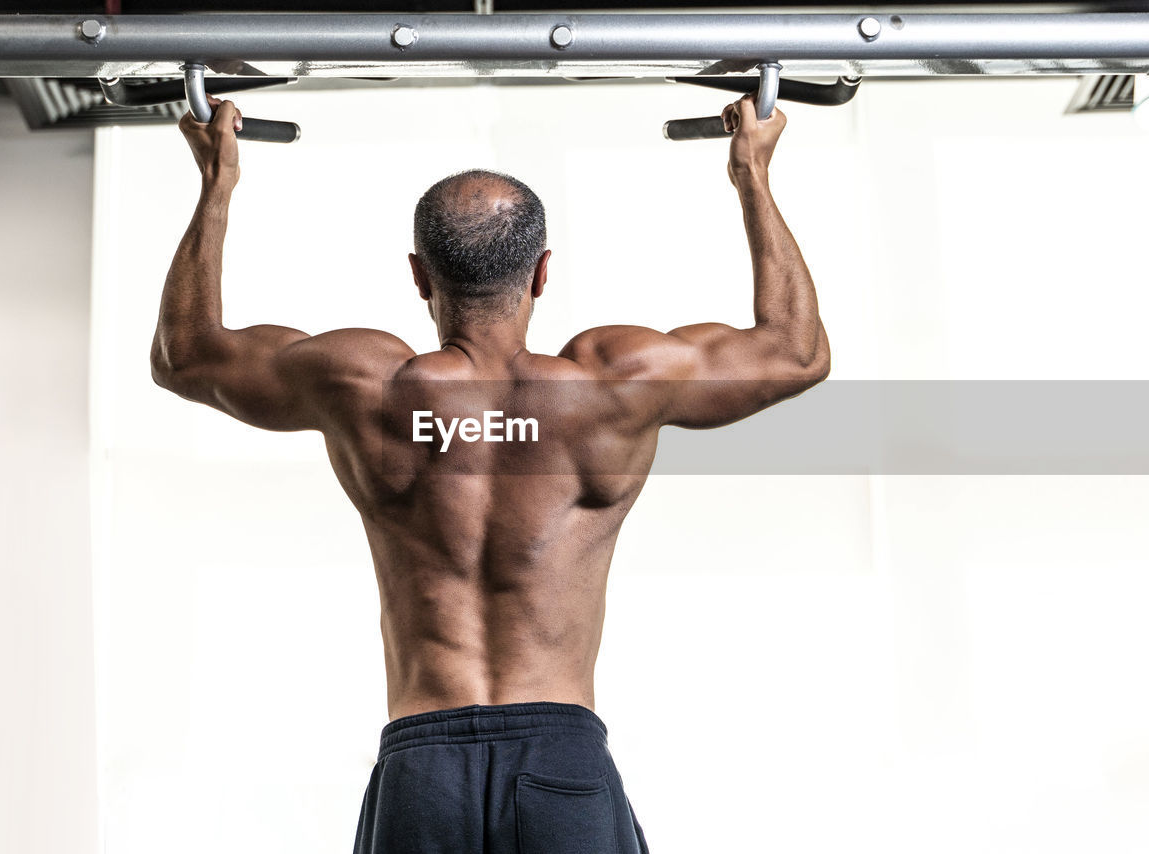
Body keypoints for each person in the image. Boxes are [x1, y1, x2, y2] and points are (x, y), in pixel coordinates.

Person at [152, 91, 829, 854]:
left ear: (418, 274)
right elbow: (795, 353)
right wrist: (752, 174)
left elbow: (187, 356)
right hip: (560, 757)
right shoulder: (614, 386)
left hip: (423, 764)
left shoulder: (363, 384)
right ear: (542, 273)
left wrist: (217, 180)